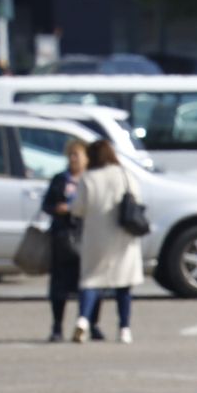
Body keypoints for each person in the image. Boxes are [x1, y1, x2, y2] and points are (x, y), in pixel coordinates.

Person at [70, 139, 145, 344]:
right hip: (123, 237)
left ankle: (83, 320)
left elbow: (78, 208)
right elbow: (137, 199)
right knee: (124, 285)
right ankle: (124, 329)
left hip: (96, 237)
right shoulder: (125, 174)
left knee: (90, 280)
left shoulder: (88, 178)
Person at [41, 139, 89, 342]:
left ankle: (89, 324)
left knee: (88, 284)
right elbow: (46, 205)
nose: (73, 159)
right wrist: (57, 209)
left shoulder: (90, 180)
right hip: (62, 237)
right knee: (59, 286)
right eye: (70, 155)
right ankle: (57, 326)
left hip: (85, 236)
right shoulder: (60, 179)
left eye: (77, 155)